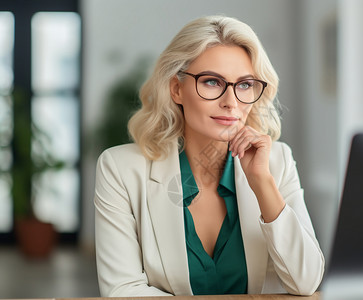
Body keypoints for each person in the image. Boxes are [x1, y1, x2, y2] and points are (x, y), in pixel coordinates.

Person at [94, 15, 325, 297]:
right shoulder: (120, 169)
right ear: (176, 89)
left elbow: (307, 282)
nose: (231, 102)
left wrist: (262, 184)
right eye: (212, 82)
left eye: (244, 85)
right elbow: (122, 290)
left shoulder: (277, 162)